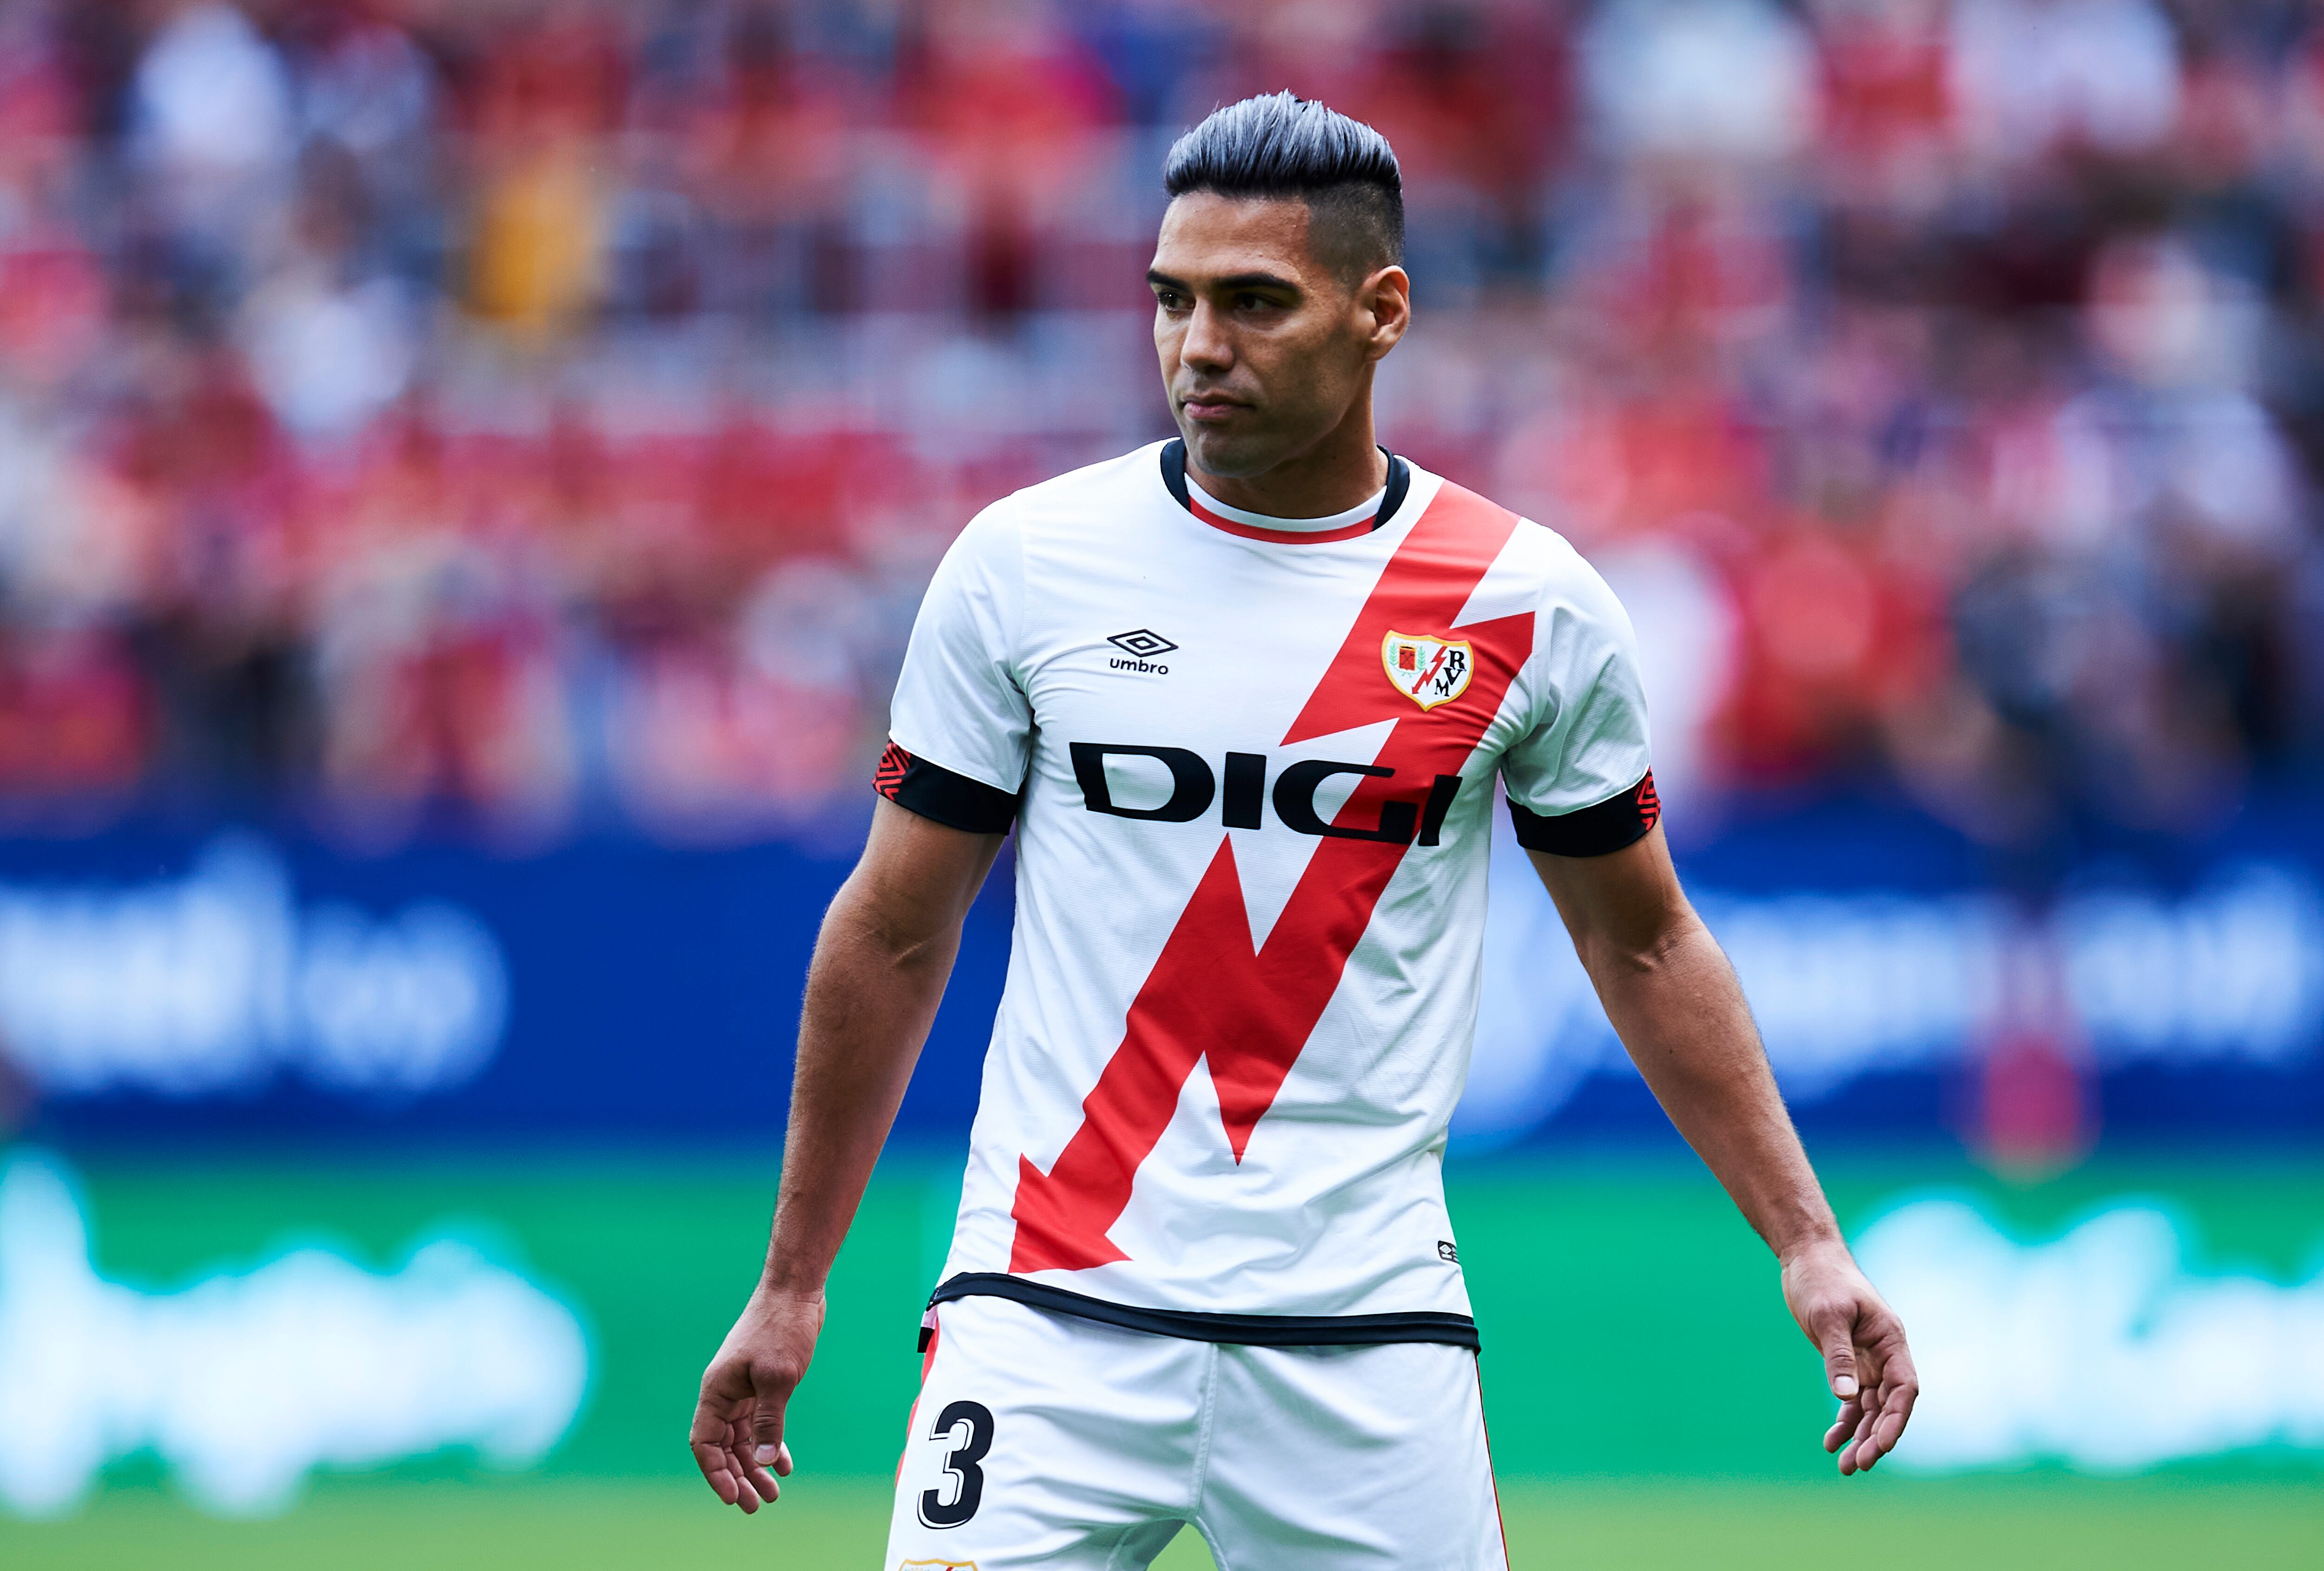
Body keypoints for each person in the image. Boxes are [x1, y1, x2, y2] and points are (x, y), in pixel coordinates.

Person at [689, 92, 1917, 1568]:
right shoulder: (1025, 566)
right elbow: (893, 925)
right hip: (1048, 1315)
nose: (1198, 347)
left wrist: (1806, 1240)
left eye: (1255, 303)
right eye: (1174, 300)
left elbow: (1645, 943)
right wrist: (792, 1280)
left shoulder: (1524, 605)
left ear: (1381, 309)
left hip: (1366, 1340)